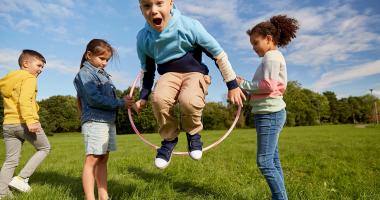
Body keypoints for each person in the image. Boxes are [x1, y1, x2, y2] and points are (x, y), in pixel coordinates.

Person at [134, 0, 246, 169]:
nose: (154, 10)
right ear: (141, 9)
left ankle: (193, 134)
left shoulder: (189, 26)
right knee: (158, 100)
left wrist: (232, 85)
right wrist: (143, 96)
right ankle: (169, 139)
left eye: (159, 3)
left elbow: (218, 55)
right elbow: (148, 70)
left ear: (171, 3)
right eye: (147, 6)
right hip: (168, 75)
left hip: (194, 73)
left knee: (189, 100)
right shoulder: (143, 38)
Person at [236, 15, 299, 200]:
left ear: (269, 39)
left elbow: (269, 85)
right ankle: (280, 197)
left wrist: (244, 84)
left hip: (270, 114)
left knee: (264, 162)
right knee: (272, 159)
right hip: (269, 113)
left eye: (256, 43)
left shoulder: (271, 57)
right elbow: (268, 87)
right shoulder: (272, 57)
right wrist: (247, 92)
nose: (254, 48)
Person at [73, 39, 134, 200]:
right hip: (95, 121)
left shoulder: (103, 74)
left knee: (103, 158)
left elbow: (105, 97)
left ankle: (103, 195)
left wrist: (123, 99)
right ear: (89, 55)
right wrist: (120, 103)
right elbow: (94, 99)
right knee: (92, 159)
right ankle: (89, 197)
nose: (105, 63)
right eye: (102, 59)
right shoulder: (85, 74)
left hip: (107, 121)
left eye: (107, 60)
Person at [0, 49, 51, 198]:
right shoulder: (29, 78)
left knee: (11, 160)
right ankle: (21, 179)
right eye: (39, 65)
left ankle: (2, 193)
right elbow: (24, 100)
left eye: (42, 67)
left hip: (8, 124)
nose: (41, 70)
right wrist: (31, 120)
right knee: (45, 148)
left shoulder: (9, 80)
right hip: (23, 122)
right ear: (26, 63)